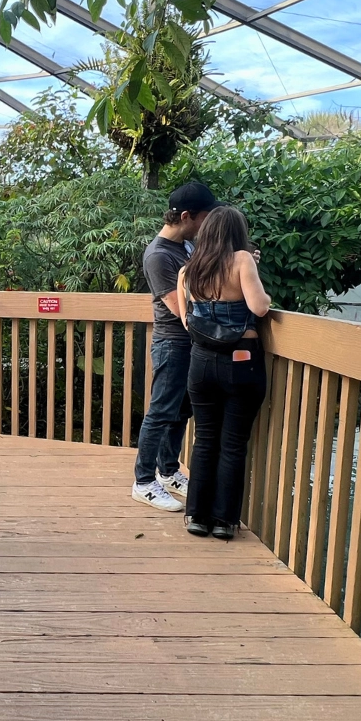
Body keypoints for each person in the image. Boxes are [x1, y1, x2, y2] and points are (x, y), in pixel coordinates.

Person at [173, 205, 271, 538]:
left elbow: (187, 322)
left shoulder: (187, 271)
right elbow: (259, 306)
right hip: (241, 361)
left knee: (204, 440)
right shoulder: (243, 260)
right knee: (232, 444)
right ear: (236, 233)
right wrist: (256, 274)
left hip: (201, 362)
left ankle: (197, 517)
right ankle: (224, 522)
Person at [131, 181, 221, 512]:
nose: (207, 225)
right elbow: (177, 306)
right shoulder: (158, 255)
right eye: (204, 218)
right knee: (160, 412)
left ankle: (168, 471)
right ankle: (142, 481)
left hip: (191, 342)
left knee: (182, 411)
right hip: (172, 342)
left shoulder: (186, 248)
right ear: (187, 216)